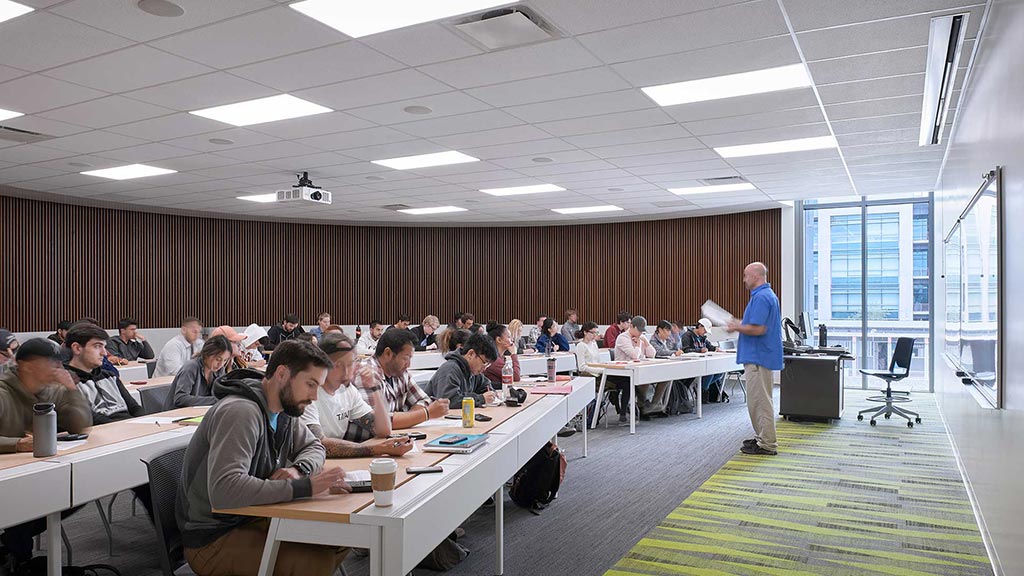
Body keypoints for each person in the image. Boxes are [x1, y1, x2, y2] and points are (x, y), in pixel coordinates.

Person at [177, 340, 351, 576]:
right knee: (313, 562)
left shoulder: (284, 411)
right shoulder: (241, 412)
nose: (314, 396)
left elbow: (314, 447)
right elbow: (224, 490)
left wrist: (299, 470)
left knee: (341, 537)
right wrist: (305, 487)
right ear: (282, 374)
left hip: (254, 515)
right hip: (213, 537)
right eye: (310, 384)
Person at [0, 339, 93, 567]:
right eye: (50, 363)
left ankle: (11, 547)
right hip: (7, 477)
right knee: (26, 506)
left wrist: (71, 390)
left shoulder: (50, 390)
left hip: (34, 472)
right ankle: (16, 553)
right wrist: (15, 444)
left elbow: (80, 425)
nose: (57, 368)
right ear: (27, 366)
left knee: (81, 487)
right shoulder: (3, 392)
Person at [302, 333, 412, 458]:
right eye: (339, 365)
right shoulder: (308, 395)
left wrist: (374, 388)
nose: (347, 371)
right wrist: (377, 449)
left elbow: (383, 430)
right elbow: (319, 444)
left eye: (350, 364)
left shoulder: (348, 390)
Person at [728, 262, 783, 456]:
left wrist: (736, 326)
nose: (744, 280)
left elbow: (758, 328)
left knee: (760, 402)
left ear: (755, 277)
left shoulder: (761, 297)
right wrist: (741, 324)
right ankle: (762, 437)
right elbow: (755, 324)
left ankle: (767, 443)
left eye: (745, 276)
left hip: (759, 358)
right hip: (760, 356)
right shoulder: (765, 296)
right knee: (758, 401)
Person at [357, 328, 449, 429]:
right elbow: (376, 422)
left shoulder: (400, 372)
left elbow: (424, 400)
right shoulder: (366, 374)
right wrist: (425, 414)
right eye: (405, 358)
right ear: (388, 353)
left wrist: (408, 418)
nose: (408, 364)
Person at [65, 323, 143, 425]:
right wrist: (125, 427)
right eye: (97, 346)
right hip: (103, 433)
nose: (104, 353)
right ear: (77, 348)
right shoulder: (65, 382)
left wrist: (145, 422)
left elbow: (134, 408)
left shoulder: (110, 376)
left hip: (127, 428)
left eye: (104, 347)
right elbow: (90, 418)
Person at [575, 322, 630, 423]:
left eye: (596, 333)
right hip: (593, 376)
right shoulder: (581, 346)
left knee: (627, 380)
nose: (595, 335)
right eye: (593, 333)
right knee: (625, 383)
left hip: (600, 373)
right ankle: (621, 411)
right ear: (585, 332)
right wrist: (601, 370)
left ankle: (622, 410)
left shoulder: (593, 344)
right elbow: (582, 367)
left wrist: (604, 367)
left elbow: (597, 361)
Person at [424, 333, 498, 408]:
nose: (485, 368)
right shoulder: (450, 369)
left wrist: (491, 393)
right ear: (471, 354)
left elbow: (485, 385)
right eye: (484, 362)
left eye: (488, 365)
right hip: (435, 417)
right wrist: (481, 399)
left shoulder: (474, 371)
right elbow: (449, 400)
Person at [615, 316, 668, 419]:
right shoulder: (623, 338)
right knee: (645, 379)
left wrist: (646, 342)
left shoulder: (641, 337)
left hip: (641, 368)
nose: (640, 333)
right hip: (625, 372)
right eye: (638, 330)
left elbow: (652, 354)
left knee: (665, 378)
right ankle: (641, 407)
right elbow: (635, 356)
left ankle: (654, 406)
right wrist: (639, 344)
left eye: (642, 331)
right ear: (631, 326)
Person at [167, 335, 233, 408]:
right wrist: (214, 400)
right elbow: (180, 399)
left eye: (225, 360)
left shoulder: (220, 370)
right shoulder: (191, 367)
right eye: (217, 359)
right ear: (207, 354)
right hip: (176, 415)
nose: (220, 364)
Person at [681, 318, 726, 402]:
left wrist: (715, 348)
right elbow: (685, 350)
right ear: (700, 326)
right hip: (691, 364)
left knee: (719, 372)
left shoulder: (703, 338)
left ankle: (702, 388)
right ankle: (702, 390)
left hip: (701, 362)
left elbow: (709, 346)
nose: (705, 332)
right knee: (709, 373)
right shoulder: (687, 336)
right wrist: (699, 350)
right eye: (705, 329)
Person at [483, 322, 520, 388]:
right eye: (509, 337)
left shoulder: (500, 357)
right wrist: (514, 354)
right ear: (499, 340)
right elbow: (516, 377)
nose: (512, 340)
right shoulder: (494, 360)